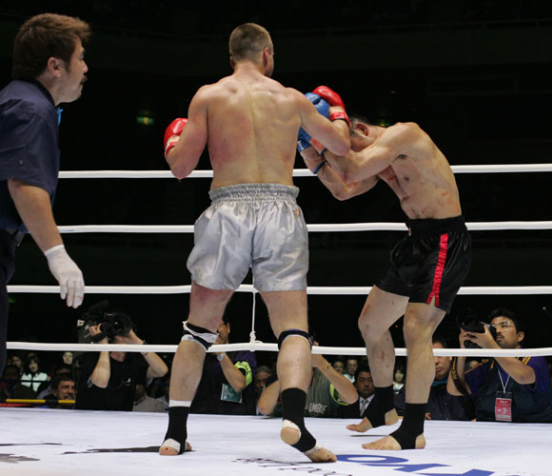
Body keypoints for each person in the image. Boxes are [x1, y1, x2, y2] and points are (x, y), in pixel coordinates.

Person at [159, 23, 350, 461]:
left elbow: (180, 168)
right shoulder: (291, 98)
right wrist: (337, 110)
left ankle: (174, 435)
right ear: (267, 54)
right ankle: (295, 422)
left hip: (226, 209)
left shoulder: (208, 96)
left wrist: (172, 142)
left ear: (231, 59)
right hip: (280, 210)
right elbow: (339, 145)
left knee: (199, 328)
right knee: (293, 328)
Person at [300, 112, 471, 450]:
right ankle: (383, 406)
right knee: (371, 323)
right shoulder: (379, 155)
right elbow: (343, 190)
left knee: (417, 329)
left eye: (347, 146)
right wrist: (307, 149)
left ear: (361, 130)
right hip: (415, 241)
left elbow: (350, 168)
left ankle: (413, 431)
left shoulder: (405, 134)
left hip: (444, 242)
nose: (347, 154)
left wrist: (322, 138)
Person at [0, 14, 90, 372]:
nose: (85, 68)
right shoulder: (31, 109)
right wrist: (57, 254)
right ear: (55, 66)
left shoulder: (20, 100)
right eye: (80, 57)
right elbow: (24, 185)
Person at [447, 308, 552, 423]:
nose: (497, 331)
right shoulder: (488, 365)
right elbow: (454, 390)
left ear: (520, 336)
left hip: (535, 428)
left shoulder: (535, 358)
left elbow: (523, 377)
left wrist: (490, 345)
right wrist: (463, 351)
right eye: (493, 327)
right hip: (498, 429)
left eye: (504, 326)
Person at [76, 324, 168, 411]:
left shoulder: (133, 362)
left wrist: (138, 342)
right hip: (90, 417)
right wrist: (104, 346)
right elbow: (101, 383)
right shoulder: (93, 357)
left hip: (121, 419)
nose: (123, 335)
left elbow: (162, 371)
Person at [257, 349, 358, 418]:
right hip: (286, 434)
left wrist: (321, 363)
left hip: (322, 435)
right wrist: (287, 373)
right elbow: (264, 408)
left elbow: (352, 398)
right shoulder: (279, 377)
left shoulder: (327, 378)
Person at [191, 317, 257, 415]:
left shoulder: (243, 353)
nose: (214, 332)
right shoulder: (198, 356)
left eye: (217, 326)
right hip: (200, 417)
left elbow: (239, 385)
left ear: (228, 328)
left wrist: (220, 353)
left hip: (236, 418)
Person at [395, 336, 467, 421]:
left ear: (450, 356)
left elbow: (478, 413)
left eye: (439, 355)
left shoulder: (465, 379)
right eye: (429, 357)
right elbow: (395, 417)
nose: (435, 361)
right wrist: (415, 419)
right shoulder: (413, 387)